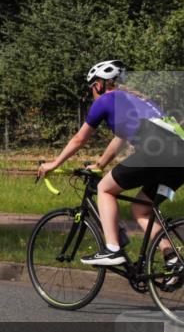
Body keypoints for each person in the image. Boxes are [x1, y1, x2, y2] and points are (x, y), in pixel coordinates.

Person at [37, 60, 184, 272]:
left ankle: (112, 249)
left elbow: (80, 139)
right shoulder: (139, 100)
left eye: (92, 88)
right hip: (179, 163)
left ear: (100, 84)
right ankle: (173, 259)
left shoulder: (105, 100)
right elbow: (120, 138)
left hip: (155, 153)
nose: (92, 94)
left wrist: (53, 164)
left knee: (104, 189)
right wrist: (100, 164)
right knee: (142, 208)